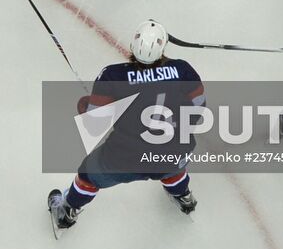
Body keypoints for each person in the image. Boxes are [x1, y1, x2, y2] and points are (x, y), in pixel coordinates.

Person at [48, 20, 204, 233]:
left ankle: (66, 212)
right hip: (173, 152)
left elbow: (94, 121)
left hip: (124, 158)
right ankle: (184, 197)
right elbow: (199, 108)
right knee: (172, 162)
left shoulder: (112, 75)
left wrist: (85, 104)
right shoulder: (183, 70)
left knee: (87, 174)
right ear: (163, 48)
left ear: (132, 46)